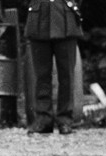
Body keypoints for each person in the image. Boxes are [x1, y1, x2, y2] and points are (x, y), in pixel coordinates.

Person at [24, 0, 83, 135]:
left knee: (67, 75)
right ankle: (43, 119)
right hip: (39, 17)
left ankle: (65, 120)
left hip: (65, 17)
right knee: (41, 75)